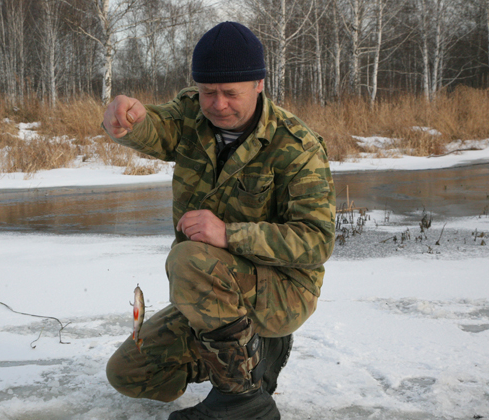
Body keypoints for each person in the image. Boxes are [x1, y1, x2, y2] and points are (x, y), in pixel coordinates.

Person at [102, 21, 335, 420]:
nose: (218, 104)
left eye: (231, 93)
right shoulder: (193, 114)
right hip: (212, 292)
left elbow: (316, 241)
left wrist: (229, 234)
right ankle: (254, 356)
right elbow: (160, 127)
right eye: (209, 92)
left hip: (284, 290)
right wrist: (130, 119)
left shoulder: (296, 146)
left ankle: (241, 401)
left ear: (259, 84)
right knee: (130, 373)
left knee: (188, 258)